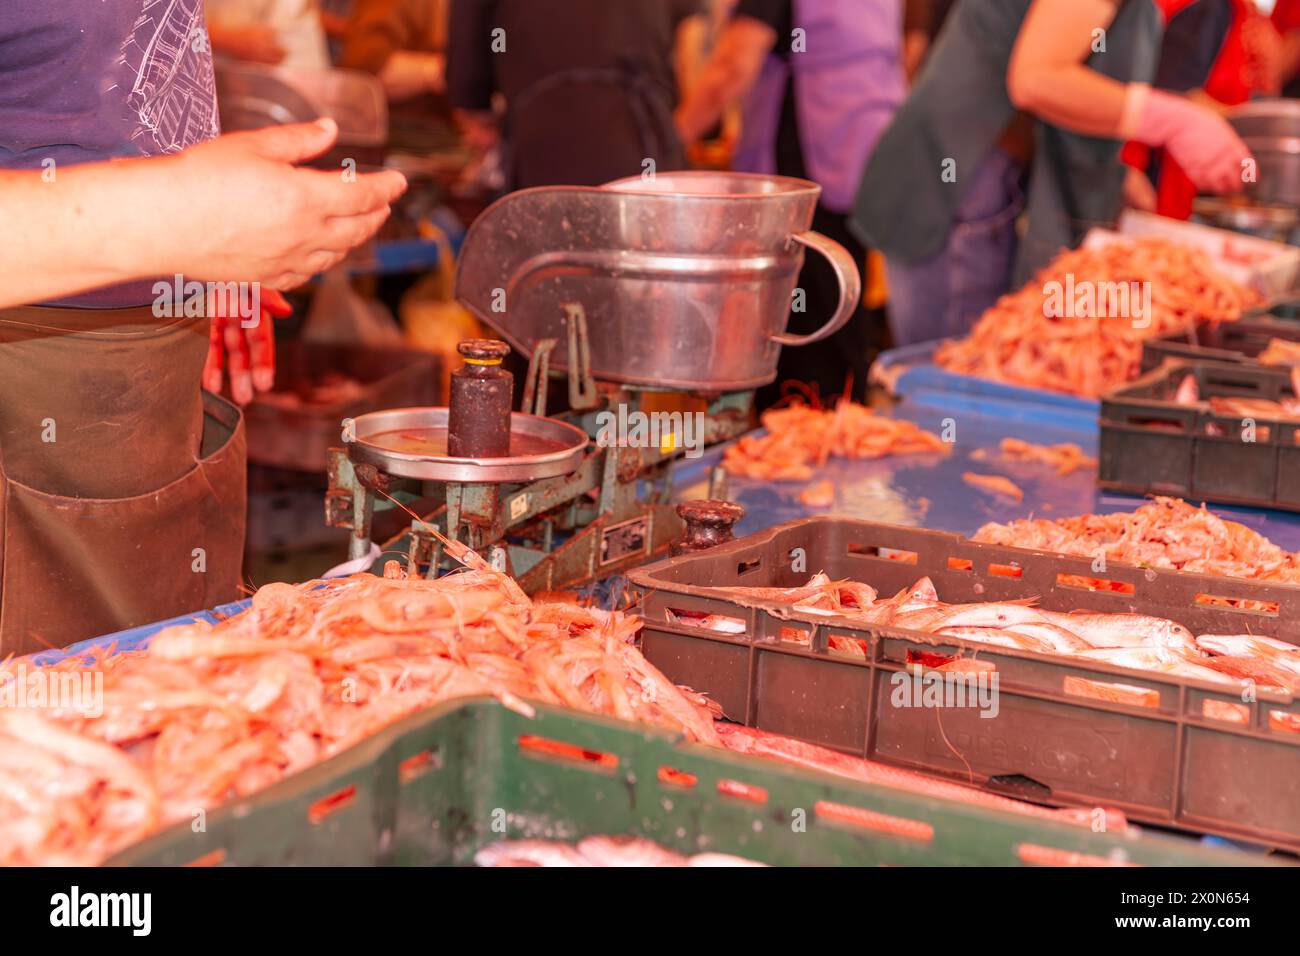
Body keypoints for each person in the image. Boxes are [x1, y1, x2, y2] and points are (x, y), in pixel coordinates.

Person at [0, 2, 406, 650]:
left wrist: (207, 242)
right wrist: (175, 220)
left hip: (151, 359)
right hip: (35, 370)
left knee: (168, 686)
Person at [853, 0, 1254, 348]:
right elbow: (1037, 78)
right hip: (956, 190)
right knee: (955, 387)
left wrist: (1111, 167)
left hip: (985, 179)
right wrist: (1173, 121)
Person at [675, 0, 904, 404]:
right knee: (843, 319)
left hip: (807, 172)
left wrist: (666, 143)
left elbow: (733, 66)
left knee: (801, 341)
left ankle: (801, 445)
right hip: (864, 152)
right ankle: (842, 435)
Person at [446, 0, 701, 190]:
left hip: (543, 157)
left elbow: (467, 89)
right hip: (645, 154)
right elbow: (690, 49)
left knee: (552, 255)